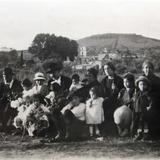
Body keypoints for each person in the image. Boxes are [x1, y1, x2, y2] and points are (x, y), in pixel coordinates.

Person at [0, 67, 23, 132]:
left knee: (8, 107)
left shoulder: (18, 83)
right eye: (4, 75)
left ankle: (7, 126)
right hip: (3, 103)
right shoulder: (1, 84)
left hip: (15, 103)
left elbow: (20, 94)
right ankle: (3, 125)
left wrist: (13, 97)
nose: (5, 77)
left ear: (11, 75)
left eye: (7, 75)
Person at [142, 60, 160, 138]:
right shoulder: (141, 79)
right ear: (143, 69)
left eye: (150, 68)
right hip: (143, 102)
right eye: (146, 67)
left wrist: (151, 103)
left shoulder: (157, 80)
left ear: (153, 69)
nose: (148, 69)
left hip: (155, 102)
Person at [114, 73, 135, 137]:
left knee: (126, 112)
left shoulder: (135, 90)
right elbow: (118, 101)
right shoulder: (122, 91)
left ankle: (127, 129)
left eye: (127, 82)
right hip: (123, 109)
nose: (125, 83)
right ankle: (120, 129)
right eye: (124, 82)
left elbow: (133, 100)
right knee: (119, 113)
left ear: (132, 82)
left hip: (132, 109)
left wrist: (127, 104)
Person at [132, 76, 152, 141]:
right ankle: (139, 134)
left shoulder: (147, 94)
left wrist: (149, 106)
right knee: (139, 123)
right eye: (140, 84)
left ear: (147, 86)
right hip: (138, 111)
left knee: (145, 123)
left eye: (144, 84)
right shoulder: (137, 94)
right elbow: (133, 100)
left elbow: (151, 101)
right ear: (138, 85)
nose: (142, 86)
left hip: (145, 111)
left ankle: (146, 135)